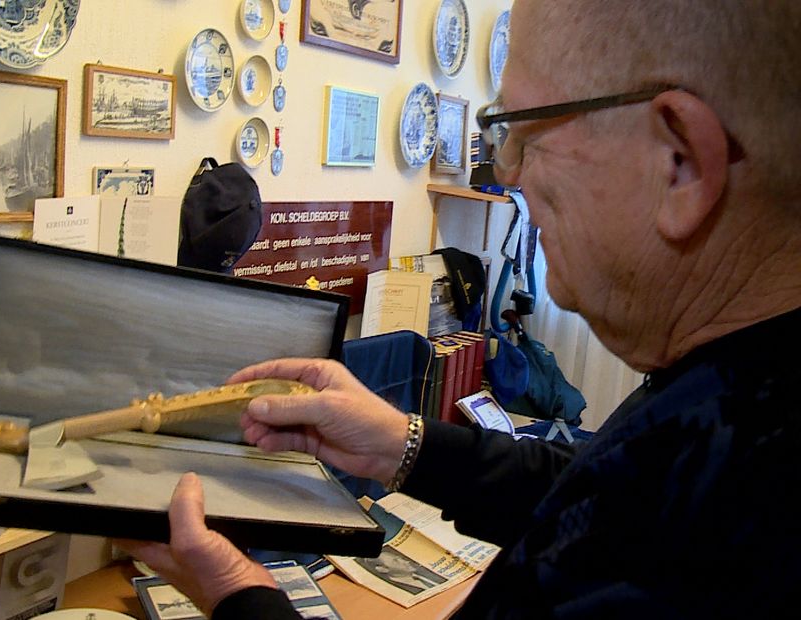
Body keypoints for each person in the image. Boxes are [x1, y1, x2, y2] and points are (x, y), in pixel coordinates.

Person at [117, 1, 801, 617]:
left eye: (521, 131)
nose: (506, 170)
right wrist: (399, 442)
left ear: (678, 160)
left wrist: (239, 596)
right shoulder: (722, 404)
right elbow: (602, 496)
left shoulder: (744, 490)